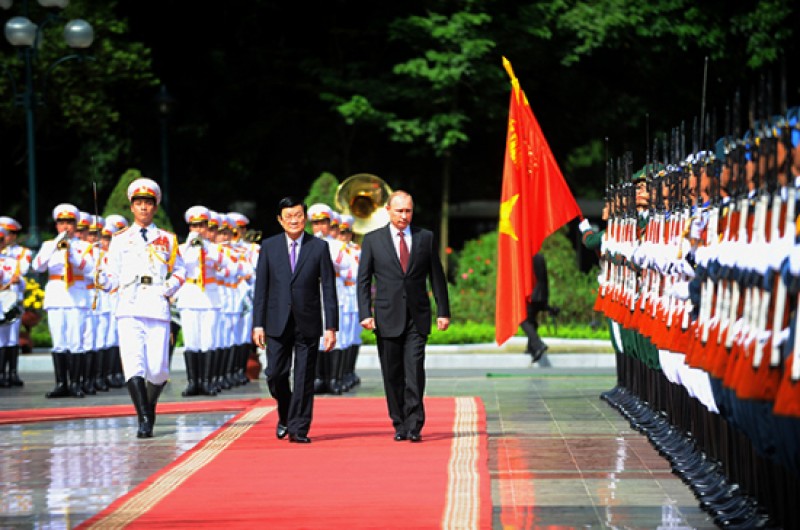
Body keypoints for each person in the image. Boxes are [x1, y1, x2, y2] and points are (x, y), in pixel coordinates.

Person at [357, 190, 450, 443]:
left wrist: (443, 311)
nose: (404, 216)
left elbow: (437, 278)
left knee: (415, 371)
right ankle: (399, 422)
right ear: (388, 210)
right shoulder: (373, 240)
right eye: (399, 211)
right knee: (393, 374)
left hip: (417, 318)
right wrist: (365, 313)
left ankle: (415, 423)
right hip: (387, 317)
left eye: (408, 211)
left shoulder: (425, 238)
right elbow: (363, 280)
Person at [98, 178, 186, 438]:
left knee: (158, 369)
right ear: (132, 207)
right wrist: (102, 279)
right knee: (133, 364)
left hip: (157, 303)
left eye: (148, 203)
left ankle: (150, 404)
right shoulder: (120, 239)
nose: (143, 208)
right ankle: (144, 418)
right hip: (129, 304)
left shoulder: (167, 239)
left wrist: (167, 288)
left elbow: (180, 270)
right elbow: (112, 275)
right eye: (138, 203)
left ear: (155, 207)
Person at [252, 196, 338, 444]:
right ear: (280, 220)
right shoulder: (268, 247)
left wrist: (331, 326)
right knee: (275, 374)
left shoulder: (318, 247)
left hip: (307, 322)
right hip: (276, 322)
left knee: (303, 377)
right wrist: (258, 324)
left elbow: (329, 289)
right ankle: (286, 412)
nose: (294, 221)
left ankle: (299, 428)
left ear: (305, 217)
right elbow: (262, 289)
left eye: (298, 216)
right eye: (288, 216)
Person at [32, 203, 95, 398]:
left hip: (76, 297)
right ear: (57, 225)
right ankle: (61, 383)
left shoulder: (84, 247)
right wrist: (54, 246)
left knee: (76, 342)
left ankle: (76, 383)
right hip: (57, 296)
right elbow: (38, 266)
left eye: (69, 222)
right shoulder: (48, 245)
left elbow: (89, 269)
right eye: (61, 222)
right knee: (59, 342)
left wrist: (70, 252)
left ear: (75, 225)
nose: (65, 226)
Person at [0, 216, 32, 386]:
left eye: (10, 233)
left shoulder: (21, 253)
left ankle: (12, 373)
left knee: (12, 337)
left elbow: (24, 270)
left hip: (13, 299)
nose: (7, 237)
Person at [521, 252, 549, 363]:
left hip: (533, 294)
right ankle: (531, 347)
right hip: (541, 293)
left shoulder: (528, 257)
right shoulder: (540, 256)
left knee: (523, 320)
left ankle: (538, 344)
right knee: (531, 320)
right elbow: (545, 278)